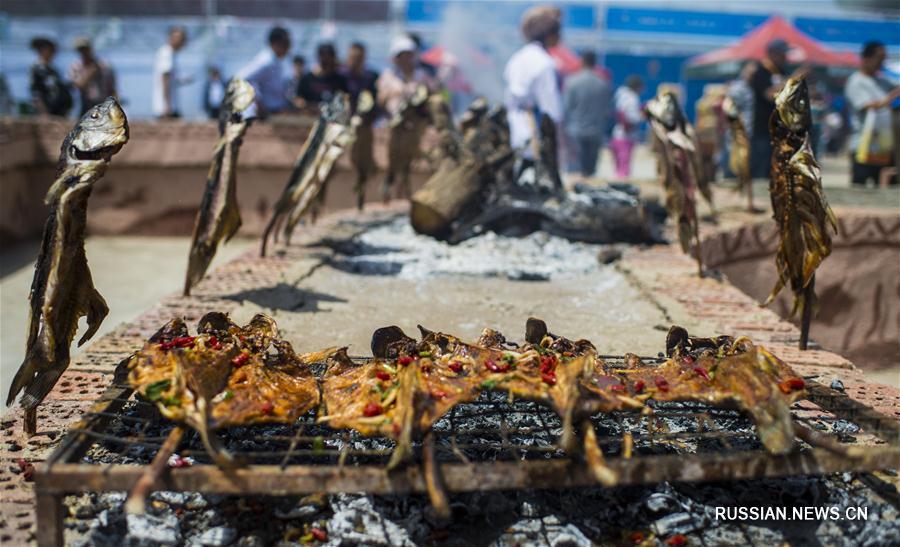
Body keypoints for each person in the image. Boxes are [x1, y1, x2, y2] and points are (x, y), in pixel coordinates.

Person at [503, 5, 564, 154]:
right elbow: (551, 110)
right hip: (532, 131)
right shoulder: (545, 63)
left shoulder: (517, 57)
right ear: (549, 34)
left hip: (511, 127)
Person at [845, 41, 900, 186]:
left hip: (883, 146)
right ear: (866, 59)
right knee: (860, 188)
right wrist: (893, 96)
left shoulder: (882, 79)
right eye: (879, 58)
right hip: (863, 146)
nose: (882, 62)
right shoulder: (856, 82)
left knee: (886, 185)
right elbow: (869, 106)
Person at [563, 50, 611, 178]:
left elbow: (567, 107)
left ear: (582, 61)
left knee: (575, 173)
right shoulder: (603, 83)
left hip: (575, 131)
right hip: (596, 131)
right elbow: (607, 110)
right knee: (590, 173)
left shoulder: (572, 81)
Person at [748, 39, 790, 179]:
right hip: (761, 128)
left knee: (774, 171)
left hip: (779, 129)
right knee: (759, 171)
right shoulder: (760, 71)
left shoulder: (781, 71)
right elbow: (769, 95)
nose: (785, 57)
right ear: (772, 54)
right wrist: (791, 82)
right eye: (782, 54)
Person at [377, 35, 437, 117]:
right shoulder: (388, 76)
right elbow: (380, 101)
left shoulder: (422, 75)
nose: (405, 59)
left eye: (408, 55)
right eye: (402, 55)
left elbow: (434, 94)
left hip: (418, 118)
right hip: (393, 118)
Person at [238, 26, 292, 116]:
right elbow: (243, 79)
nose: (288, 48)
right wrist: (258, 102)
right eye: (285, 44)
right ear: (275, 43)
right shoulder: (267, 61)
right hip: (267, 112)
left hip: (276, 110)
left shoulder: (277, 61)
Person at [68, 37, 117, 116]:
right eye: (81, 50)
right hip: (85, 104)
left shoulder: (104, 65)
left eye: (85, 49)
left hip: (103, 102)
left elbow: (112, 86)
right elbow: (78, 85)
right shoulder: (75, 66)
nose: (84, 52)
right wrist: (91, 72)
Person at [610, 75, 644, 180]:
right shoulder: (632, 99)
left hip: (617, 134)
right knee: (624, 169)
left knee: (619, 167)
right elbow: (632, 118)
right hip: (626, 136)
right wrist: (642, 115)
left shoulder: (620, 95)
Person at [153, 26, 191, 118]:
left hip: (169, 106)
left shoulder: (171, 54)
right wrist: (167, 105)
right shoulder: (167, 53)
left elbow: (170, 80)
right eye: (181, 39)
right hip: (166, 109)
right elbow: (165, 78)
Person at [28, 37, 72, 116]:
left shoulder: (52, 70)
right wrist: (44, 113)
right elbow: (36, 94)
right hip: (46, 113)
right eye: (51, 51)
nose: (53, 54)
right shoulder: (37, 69)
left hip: (57, 112)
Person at [296, 43, 348, 109]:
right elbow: (298, 99)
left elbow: (346, 99)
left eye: (328, 57)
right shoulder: (307, 79)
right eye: (323, 57)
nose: (325, 60)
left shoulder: (339, 80)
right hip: (309, 115)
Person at [342, 42, 378, 109]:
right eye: (353, 58)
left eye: (358, 59)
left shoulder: (371, 77)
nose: (355, 62)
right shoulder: (340, 76)